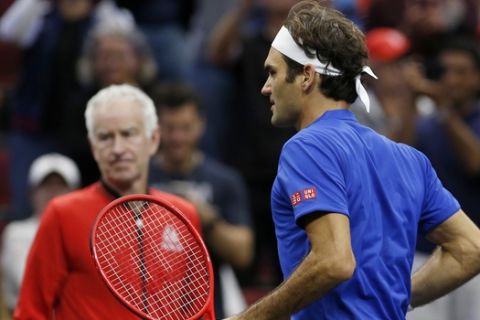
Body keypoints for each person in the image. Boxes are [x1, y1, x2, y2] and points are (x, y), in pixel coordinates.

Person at [225, 1, 480, 319]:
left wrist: (250, 317)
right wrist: (394, 295)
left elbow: (334, 261)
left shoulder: (306, 147)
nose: (265, 87)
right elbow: (470, 248)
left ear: (306, 76)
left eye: (273, 73)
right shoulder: (410, 158)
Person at [14, 84, 200, 319]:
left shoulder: (183, 214)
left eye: (128, 133)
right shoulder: (62, 214)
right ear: (93, 148)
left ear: (153, 140)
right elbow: (31, 311)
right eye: (105, 137)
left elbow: (199, 310)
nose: (118, 148)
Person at [150, 83, 254, 318]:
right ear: (156, 129)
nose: (177, 137)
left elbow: (243, 253)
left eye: (185, 128)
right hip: (147, 308)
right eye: (170, 128)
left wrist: (205, 217)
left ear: (201, 125)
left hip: (206, 310)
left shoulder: (225, 181)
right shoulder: (140, 179)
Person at [0, 153, 80, 313]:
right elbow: (32, 284)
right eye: (46, 186)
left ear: (76, 193)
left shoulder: (86, 233)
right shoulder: (16, 233)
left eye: (61, 186)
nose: (53, 193)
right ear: (32, 193)